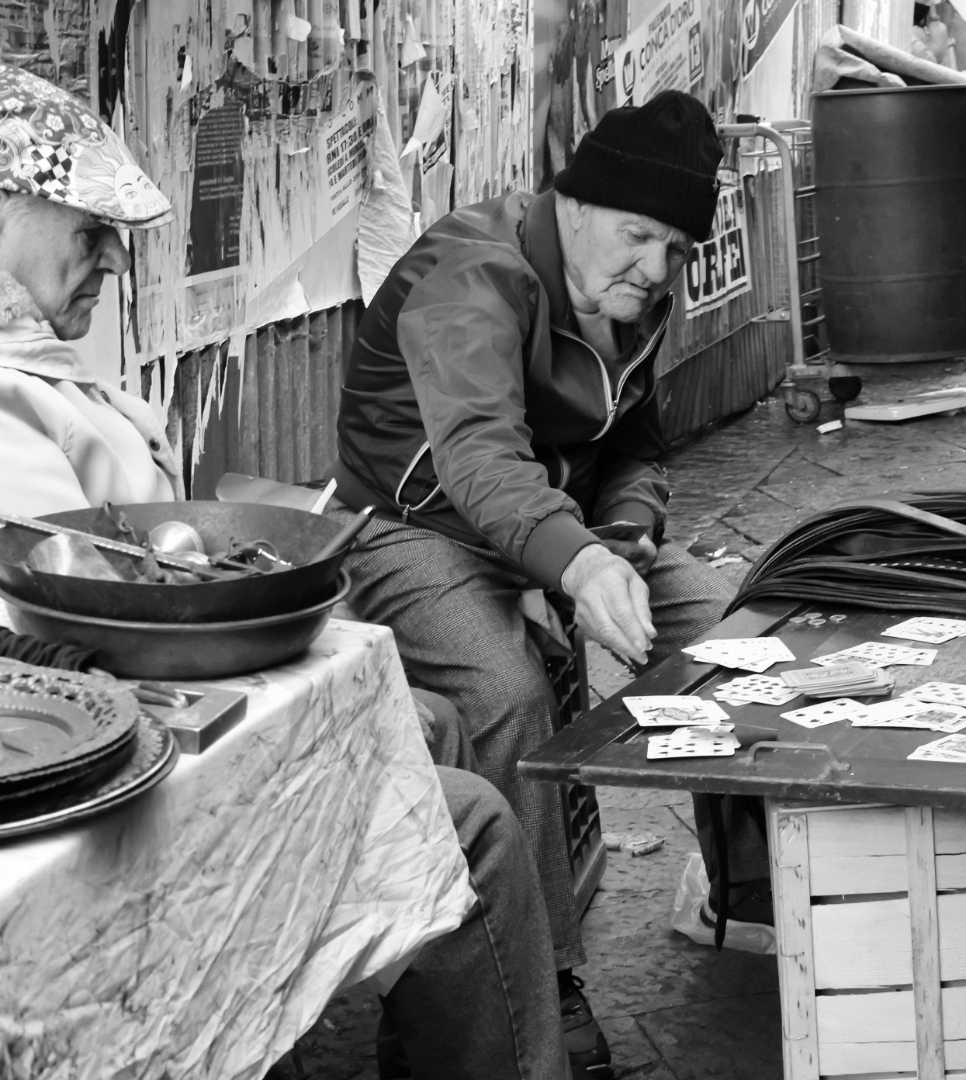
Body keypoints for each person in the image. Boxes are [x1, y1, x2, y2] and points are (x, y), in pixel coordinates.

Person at [0, 64, 568, 1080]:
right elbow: (67, 602)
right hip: (90, 754)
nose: (114, 264)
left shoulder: (39, 368)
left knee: (431, 720)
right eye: (89, 231)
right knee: (468, 817)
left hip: (116, 713)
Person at [331, 89, 762, 1072]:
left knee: (733, 633)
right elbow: (479, 459)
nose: (655, 268)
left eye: (675, 248)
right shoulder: (469, 274)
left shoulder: (638, 291)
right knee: (505, 688)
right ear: (571, 200)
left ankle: (756, 880)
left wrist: (624, 535)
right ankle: (546, 979)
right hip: (409, 525)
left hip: (558, 525)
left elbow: (640, 446)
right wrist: (576, 563)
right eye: (638, 234)